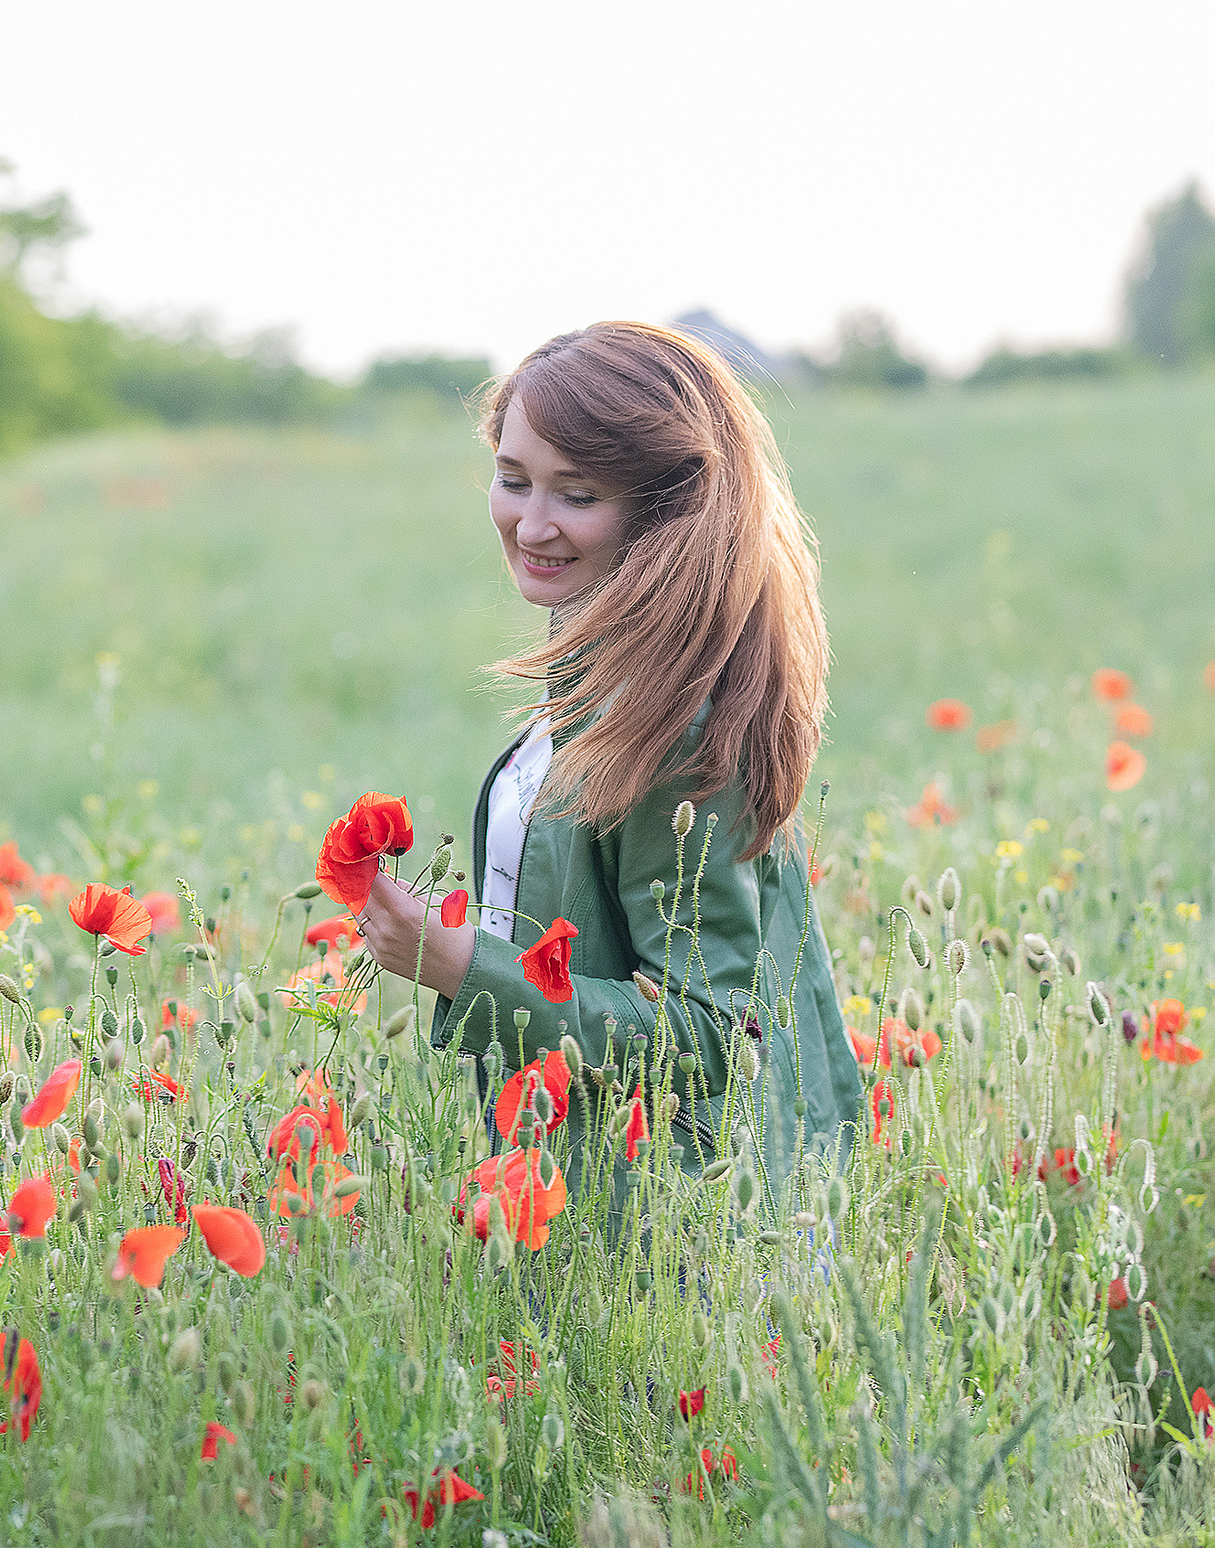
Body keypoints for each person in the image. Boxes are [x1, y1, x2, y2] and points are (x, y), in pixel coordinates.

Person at [359, 321, 861, 1195]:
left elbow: (711, 1036)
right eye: (512, 480)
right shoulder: (602, 689)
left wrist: (456, 965)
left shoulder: (678, 727)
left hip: (676, 1246)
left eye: (578, 494)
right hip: (582, 1210)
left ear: (666, 507)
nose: (532, 522)